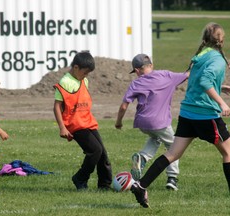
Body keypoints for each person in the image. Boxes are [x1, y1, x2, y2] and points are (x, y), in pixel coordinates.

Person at [131, 22, 230, 208]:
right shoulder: (216, 58)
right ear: (222, 39)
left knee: (172, 154)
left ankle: (141, 185)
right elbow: (204, 80)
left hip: (187, 114)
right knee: (229, 152)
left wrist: (220, 88)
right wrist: (222, 102)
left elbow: (195, 79)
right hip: (206, 115)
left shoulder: (200, 55)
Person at [115, 54, 189, 191]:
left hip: (142, 122)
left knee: (155, 138)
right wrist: (196, 64)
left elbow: (124, 106)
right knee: (174, 147)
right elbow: (187, 74)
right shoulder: (167, 75)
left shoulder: (136, 83)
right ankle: (172, 178)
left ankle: (142, 158)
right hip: (160, 122)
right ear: (151, 65)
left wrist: (118, 122)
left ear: (137, 71)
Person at [53, 51, 112, 190]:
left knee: (103, 154)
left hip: (88, 122)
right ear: (76, 68)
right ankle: (80, 178)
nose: (86, 76)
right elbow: (56, 107)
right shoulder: (65, 82)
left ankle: (104, 185)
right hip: (75, 125)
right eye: (84, 72)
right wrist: (62, 127)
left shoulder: (84, 80)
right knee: (95, 151)